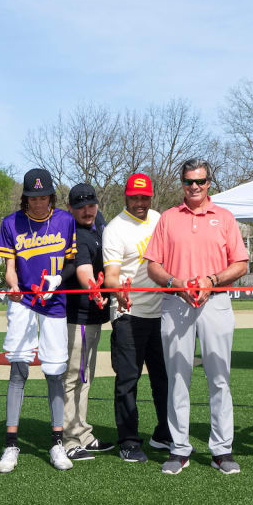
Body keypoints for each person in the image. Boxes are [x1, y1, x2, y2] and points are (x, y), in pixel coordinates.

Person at [145, 158, 249, 475]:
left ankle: (222, 450)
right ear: (182, 183)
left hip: (215, 302)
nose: (194, 187)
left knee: (219, 378)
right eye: (189, 181)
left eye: (200, 182)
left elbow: (241, 264)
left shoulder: (226, 218)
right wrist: (175, 283)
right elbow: (153, 266)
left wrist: (212, 280)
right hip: (176, 303)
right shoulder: (168, 218)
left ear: (209, 183)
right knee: (177, 378)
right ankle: (179, 449)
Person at [0, 168, 77, 472]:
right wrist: (13, 286)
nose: (38, 203)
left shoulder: (66, 221)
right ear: (25, 198)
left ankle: (56, 443)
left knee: (55, 371)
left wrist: (58, 278)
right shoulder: (10, 223)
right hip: (25, 302)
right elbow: (9, 268)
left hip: (54, 303)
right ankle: (11, 445)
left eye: (43, 197)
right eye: (32, 197)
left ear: (51, 196)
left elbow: (71, 263)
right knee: (18, 370)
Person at [103, 173, 170, 463]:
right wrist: (117, 292)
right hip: (129, 313)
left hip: (163, 313)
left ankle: (164, 433)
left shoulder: (160, 220)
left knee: (164, 378)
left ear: (150, 197)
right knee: (128, 380)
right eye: (134, 197)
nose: (140, 202)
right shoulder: (115, 229)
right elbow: (112, 276)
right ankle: (129, 441)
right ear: (126, 197)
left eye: (144, 197)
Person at [60, 182, 114, 461]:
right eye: (80, 206)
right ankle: (70, 439)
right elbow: (83, 270)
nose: (87, 210)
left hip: (93, 315)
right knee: (73, 377)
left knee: (85, 376)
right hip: (77, 315)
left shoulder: (98, 223)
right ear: (70, 208)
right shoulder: (76, 234)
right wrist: (94, 289)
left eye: (91, 204)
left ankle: (83, 433)